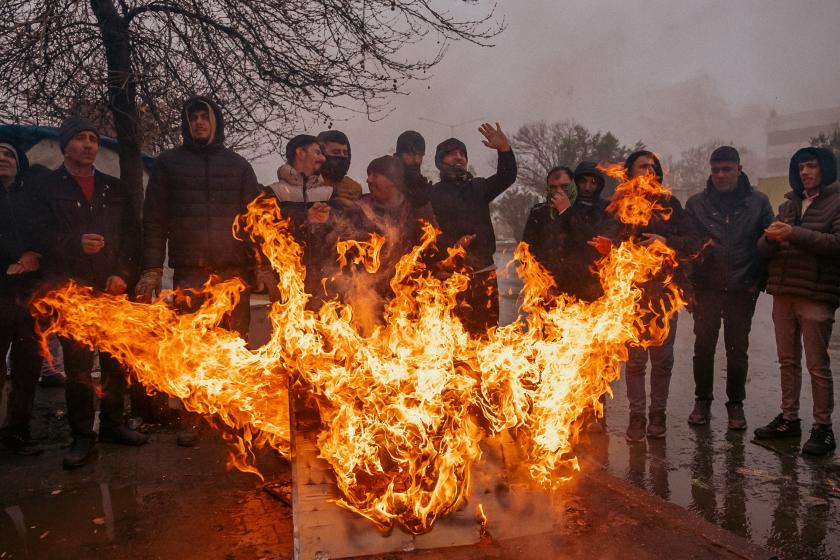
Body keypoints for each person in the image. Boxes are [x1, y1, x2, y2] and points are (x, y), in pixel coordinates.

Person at [137, 96, 261, 446]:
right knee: (192, 346)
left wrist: (260, 266)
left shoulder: (238, 166)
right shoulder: (168, 164)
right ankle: (192, 416)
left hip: (232, 272)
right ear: (186, 124)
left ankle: (233, 413)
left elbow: (255, 222)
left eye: (205, 118)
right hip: (190, 272)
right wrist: (151, 268)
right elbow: (155, 220)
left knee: (234, 345)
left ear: (216, 122)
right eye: (193, 119)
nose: (199, 123)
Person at [39, 116, 147, 468]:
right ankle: (83, 436)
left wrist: (122, 274)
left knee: (117, 364)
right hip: (73, 294)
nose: (88, 145)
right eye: (80, 138)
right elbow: (38, 239)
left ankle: (114, 424)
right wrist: (74, 244)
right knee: (80, 369)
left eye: (93, 139)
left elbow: (133, 238)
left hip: (113, 290)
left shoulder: (114, 188)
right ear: (65, 145)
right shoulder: (49, 187)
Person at [754, 147, 840, 456]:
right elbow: (763, 249)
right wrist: (770, 238)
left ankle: (823, 428)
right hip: (784, 293)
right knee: (787, 361)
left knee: (817, 365)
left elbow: (836, 245)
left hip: (816, 294)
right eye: (801, 167)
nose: (805, 172)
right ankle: (789, 419)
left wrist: (793, 233)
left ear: (825, 169)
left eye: (812, 166)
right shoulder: (788, 205)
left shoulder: (836, 202)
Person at [616, 150, 703, 442]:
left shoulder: (670, 204)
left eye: (653, 166)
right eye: (643, 166)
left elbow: (694, 241)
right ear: (630, 171)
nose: (649, 170)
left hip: (665, 293)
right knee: (636, 362)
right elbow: (607, 245)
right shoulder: (618, 206)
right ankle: (637, 417)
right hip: (631, 294)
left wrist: (666, 242)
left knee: (663, 360)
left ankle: (658, 415)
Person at [685, 146, 774, 430]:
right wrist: (689, 287)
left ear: (739, 169)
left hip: (741, 289)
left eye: (726, 169)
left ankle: (735, 405)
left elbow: (769, 246)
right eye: (715, 170)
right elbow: (685, 248)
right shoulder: (696, 203)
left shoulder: (758, 203)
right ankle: (702, 401)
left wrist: (757, 283)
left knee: (737, 351)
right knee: (703, 348)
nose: (721, 175)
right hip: (707, 290)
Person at [428, 123, 517, 336]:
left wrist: (504, 149)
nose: (458, 157)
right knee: (452, 338)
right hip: (450, 278)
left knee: (486, 334)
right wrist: (452, 247)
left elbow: (507, 177)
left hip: (483, 274)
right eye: (451, 154)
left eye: (462, 154)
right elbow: (428, 234)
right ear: (440, 162)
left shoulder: (478, 187)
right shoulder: (432, 194)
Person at [0, 138, 47, 455]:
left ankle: (17, 432)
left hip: (29, 297)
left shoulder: (32, 197)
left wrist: (37, 255)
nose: (2, 158)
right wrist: (9, 263)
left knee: (27, 367)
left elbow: (49, 234)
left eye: (8, 154)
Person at [394, 130, 437, 226]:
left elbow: (432, 230)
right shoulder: (385, 181)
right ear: (398, 155)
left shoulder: (423, 188)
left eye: (421, 155)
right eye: (411, 154)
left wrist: (422, 201)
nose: (417, 160)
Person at [317, 130, 363, 207]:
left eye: (345, 153)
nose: (342, 156)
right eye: (336, 152)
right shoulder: (305, 182)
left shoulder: (354, 188)